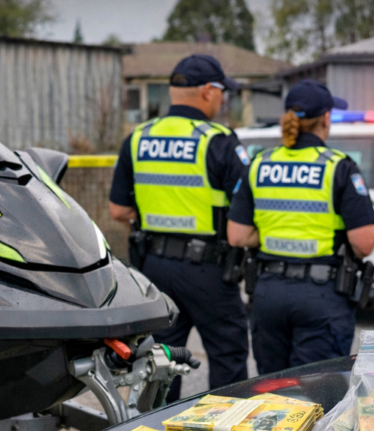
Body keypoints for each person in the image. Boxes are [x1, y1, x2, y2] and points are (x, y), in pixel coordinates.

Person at [108, 54, 250, 400]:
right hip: (210, 271)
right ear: (207, 91)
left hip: (155, 269)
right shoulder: (219, 140)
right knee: (227, 357)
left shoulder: (139, 137)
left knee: (161, 362)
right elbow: (245, 209)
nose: (222, 99)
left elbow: (117, 210)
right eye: (222, 92)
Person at [227, 79, 374, 374]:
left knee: (273, 394)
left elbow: (237, 235)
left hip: (268, 296)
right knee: (317, 394)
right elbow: (364, 242)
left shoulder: (260, 163)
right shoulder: (339, 166)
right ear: (325, 118)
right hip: (322, 297)